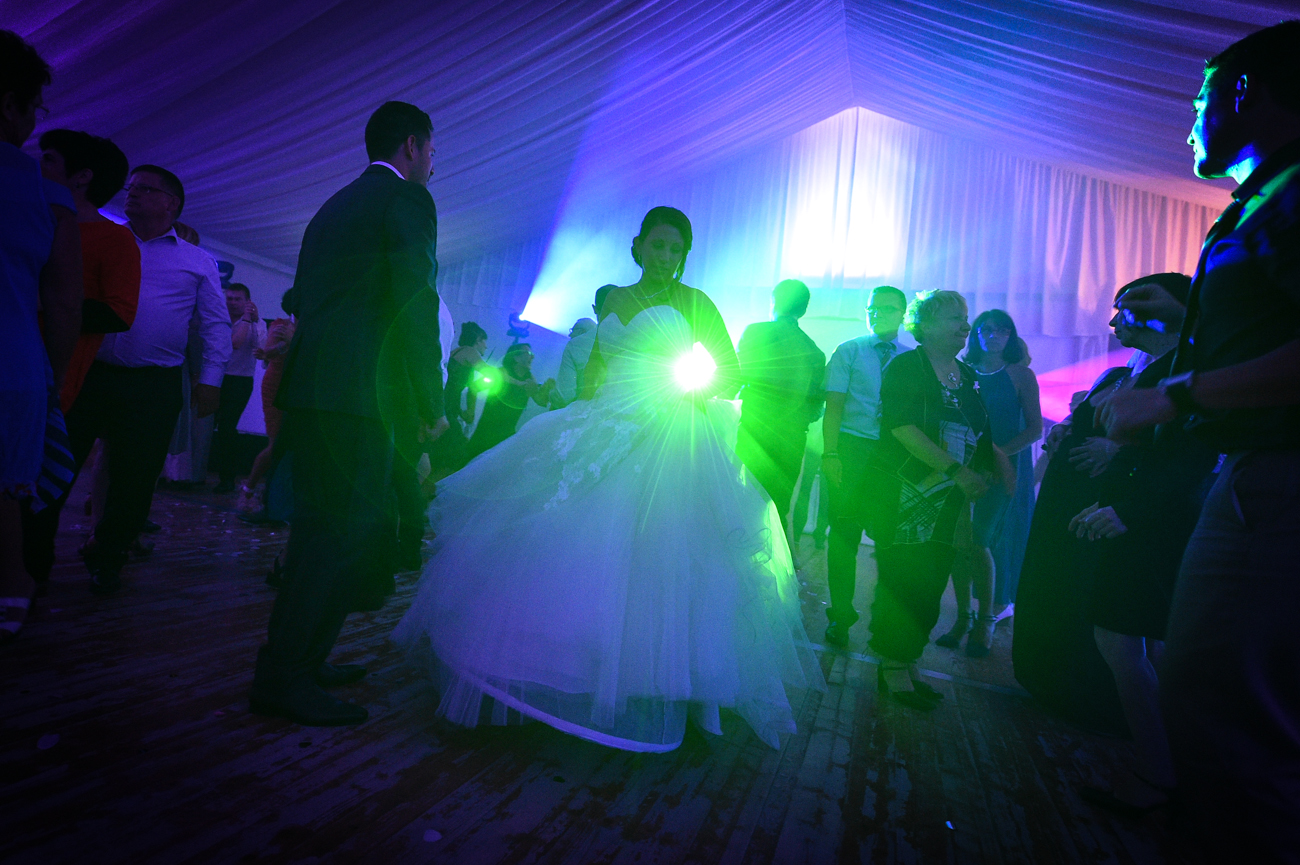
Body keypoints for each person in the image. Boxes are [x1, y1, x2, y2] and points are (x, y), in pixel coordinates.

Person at [393, 206, 824, 751]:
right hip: (603, 419)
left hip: (668, 431)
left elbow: (731, 373)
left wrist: (678, 395)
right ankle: (541, 662)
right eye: (658, 245)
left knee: (661, 550)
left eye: (676, 250)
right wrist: (584, 407)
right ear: (638, 246)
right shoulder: (616, 297)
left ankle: (658, 679)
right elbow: (598, 364)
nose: (666, 257)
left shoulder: (695, 301)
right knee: (554, 531)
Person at [1097, 22, 1300, 860]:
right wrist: (1183, 341)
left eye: (1200, 102)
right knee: (1208, 697)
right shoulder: (1266, 197)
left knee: (1225, 708)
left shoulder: (1293, 193)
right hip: (1254, 473)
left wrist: (1175, 394)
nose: (1187, 127)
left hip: (1278, 482)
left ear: (1245, 94)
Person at [249, 101, 445, 727]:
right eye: (432, 150)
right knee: (333, 539)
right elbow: (415, 299)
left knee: (322, 533)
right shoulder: (408, 199)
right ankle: (285, 676)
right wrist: (430, 398)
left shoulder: (333, 206)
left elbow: (304, 297)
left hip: (315, 387)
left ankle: (303, 662)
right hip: (360, 396)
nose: (433, 163)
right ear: (412, 146)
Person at [1065, 274, 1218, 819]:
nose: (1118, 319)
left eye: (1134, 305)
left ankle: (1156, 774)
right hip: (1146, 522)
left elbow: (1190, 459)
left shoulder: (1183, 373)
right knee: (1145, 646)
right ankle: (1170, 766)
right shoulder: (1160, 369)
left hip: (1150, 528)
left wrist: (1128, 509)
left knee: (1119, 641)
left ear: (1180, 307)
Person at [862, 290, 1010, 709]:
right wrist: (956, 471)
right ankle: (892, 664)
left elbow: (980, 431)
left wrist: (988, 468)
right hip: (903, 494)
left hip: (949, 502)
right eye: (953, 318)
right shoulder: (906, 366)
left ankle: (906, 660)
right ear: (923, 325)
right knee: (902, 581)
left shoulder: (966, 375)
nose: (965, 325)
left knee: (930, 584)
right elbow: (902, 427)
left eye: (965, 317)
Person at [1, 31, 82, 644]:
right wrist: (51, 378)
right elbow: (62, 304)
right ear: (10, 105)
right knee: (5, 488)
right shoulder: (48, 196)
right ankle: (12, 585)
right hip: (13, 362)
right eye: (34, 108)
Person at [934, 309, 1041, 656]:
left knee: (981, 541)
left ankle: (986, 620)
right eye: (987, 329)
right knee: (957, 542)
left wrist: (997, 456)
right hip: (962, 465)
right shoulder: (962, 371)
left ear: (1011, 336)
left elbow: (1035, 429)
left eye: (1002, 330)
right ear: (976, 333)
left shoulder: (1020, 374)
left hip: (1003, 468)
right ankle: (963, 616)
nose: (994, 335)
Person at [820, 285, 909, 646]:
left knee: (889, 541)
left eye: (887, 309)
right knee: (843, 536)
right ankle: (841, 616)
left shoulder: (911, 358)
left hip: (893, 454)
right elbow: (834, 407)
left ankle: (883, 621)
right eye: (872, 309)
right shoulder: (850, 350)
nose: (877, 315)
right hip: (852, 448)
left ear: (902, 314)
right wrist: (830, 454)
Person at [36, 129, 140, 414]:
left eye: (48, 159)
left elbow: (118, 313)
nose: (37, 165)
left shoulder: (115, 238)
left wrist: (43, 301)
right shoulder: (33, 221)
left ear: (82, 176)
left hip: (45, 379)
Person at [735, 279, 826, 544]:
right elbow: (815, 409)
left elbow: (735, 376)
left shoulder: (755, 331)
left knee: (740, 496)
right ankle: (769, 558)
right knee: (775, 505)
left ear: (773, 301)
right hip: (791, 438)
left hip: (751, 428)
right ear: (804, 309)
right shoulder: (815, 351)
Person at [238, 314, 295, 514]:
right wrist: (287, 343)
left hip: (295, 389)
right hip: (277, 387)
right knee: (275, 443)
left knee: (286, 445)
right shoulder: (282, 325)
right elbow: (268, 353)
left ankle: (272, 496)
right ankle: (249, 489)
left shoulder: (303, 326)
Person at [212, 283, 264, 493]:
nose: (232, 303)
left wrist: (251, 321)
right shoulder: (219, 318)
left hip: (240, 380)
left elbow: (260, 348)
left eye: (237, 299)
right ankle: (194, 471)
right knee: (206, 426)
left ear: (247, 302)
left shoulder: (257, 323)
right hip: (215, 376)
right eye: (229, 298)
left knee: (227, 427)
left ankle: (227, 479)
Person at [464, 343, 554, 458]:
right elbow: (474, 387)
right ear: (516, 357)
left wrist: (546, 390)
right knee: (473, 458)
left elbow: (540, 402)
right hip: (487, 428)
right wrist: (471, 410)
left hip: (507, 432)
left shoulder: (530, 378)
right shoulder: (502, 372)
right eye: (529, 353)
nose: (533, 356)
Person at [552, 285, 617, 407]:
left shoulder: (575, 345)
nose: (570, 334)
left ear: (594, 309)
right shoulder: (640, 337)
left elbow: (565, 395)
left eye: (573, 330)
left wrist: (551, 395)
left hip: (587, 411)